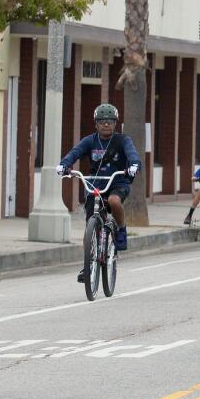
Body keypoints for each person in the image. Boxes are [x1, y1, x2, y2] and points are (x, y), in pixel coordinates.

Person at [58, 103, 140, 280]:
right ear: (96, 123)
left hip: (118, 181)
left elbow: (132, 154)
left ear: (115, 123)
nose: (105, 124)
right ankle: (87, 265)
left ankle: (121, 229)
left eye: (109, 121)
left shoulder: (122, 140)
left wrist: (133, 165)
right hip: (96, 183)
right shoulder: (90, 140)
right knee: (90, 226)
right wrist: (65, 164)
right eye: (102, 121)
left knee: (113, 201)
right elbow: (75, 152)